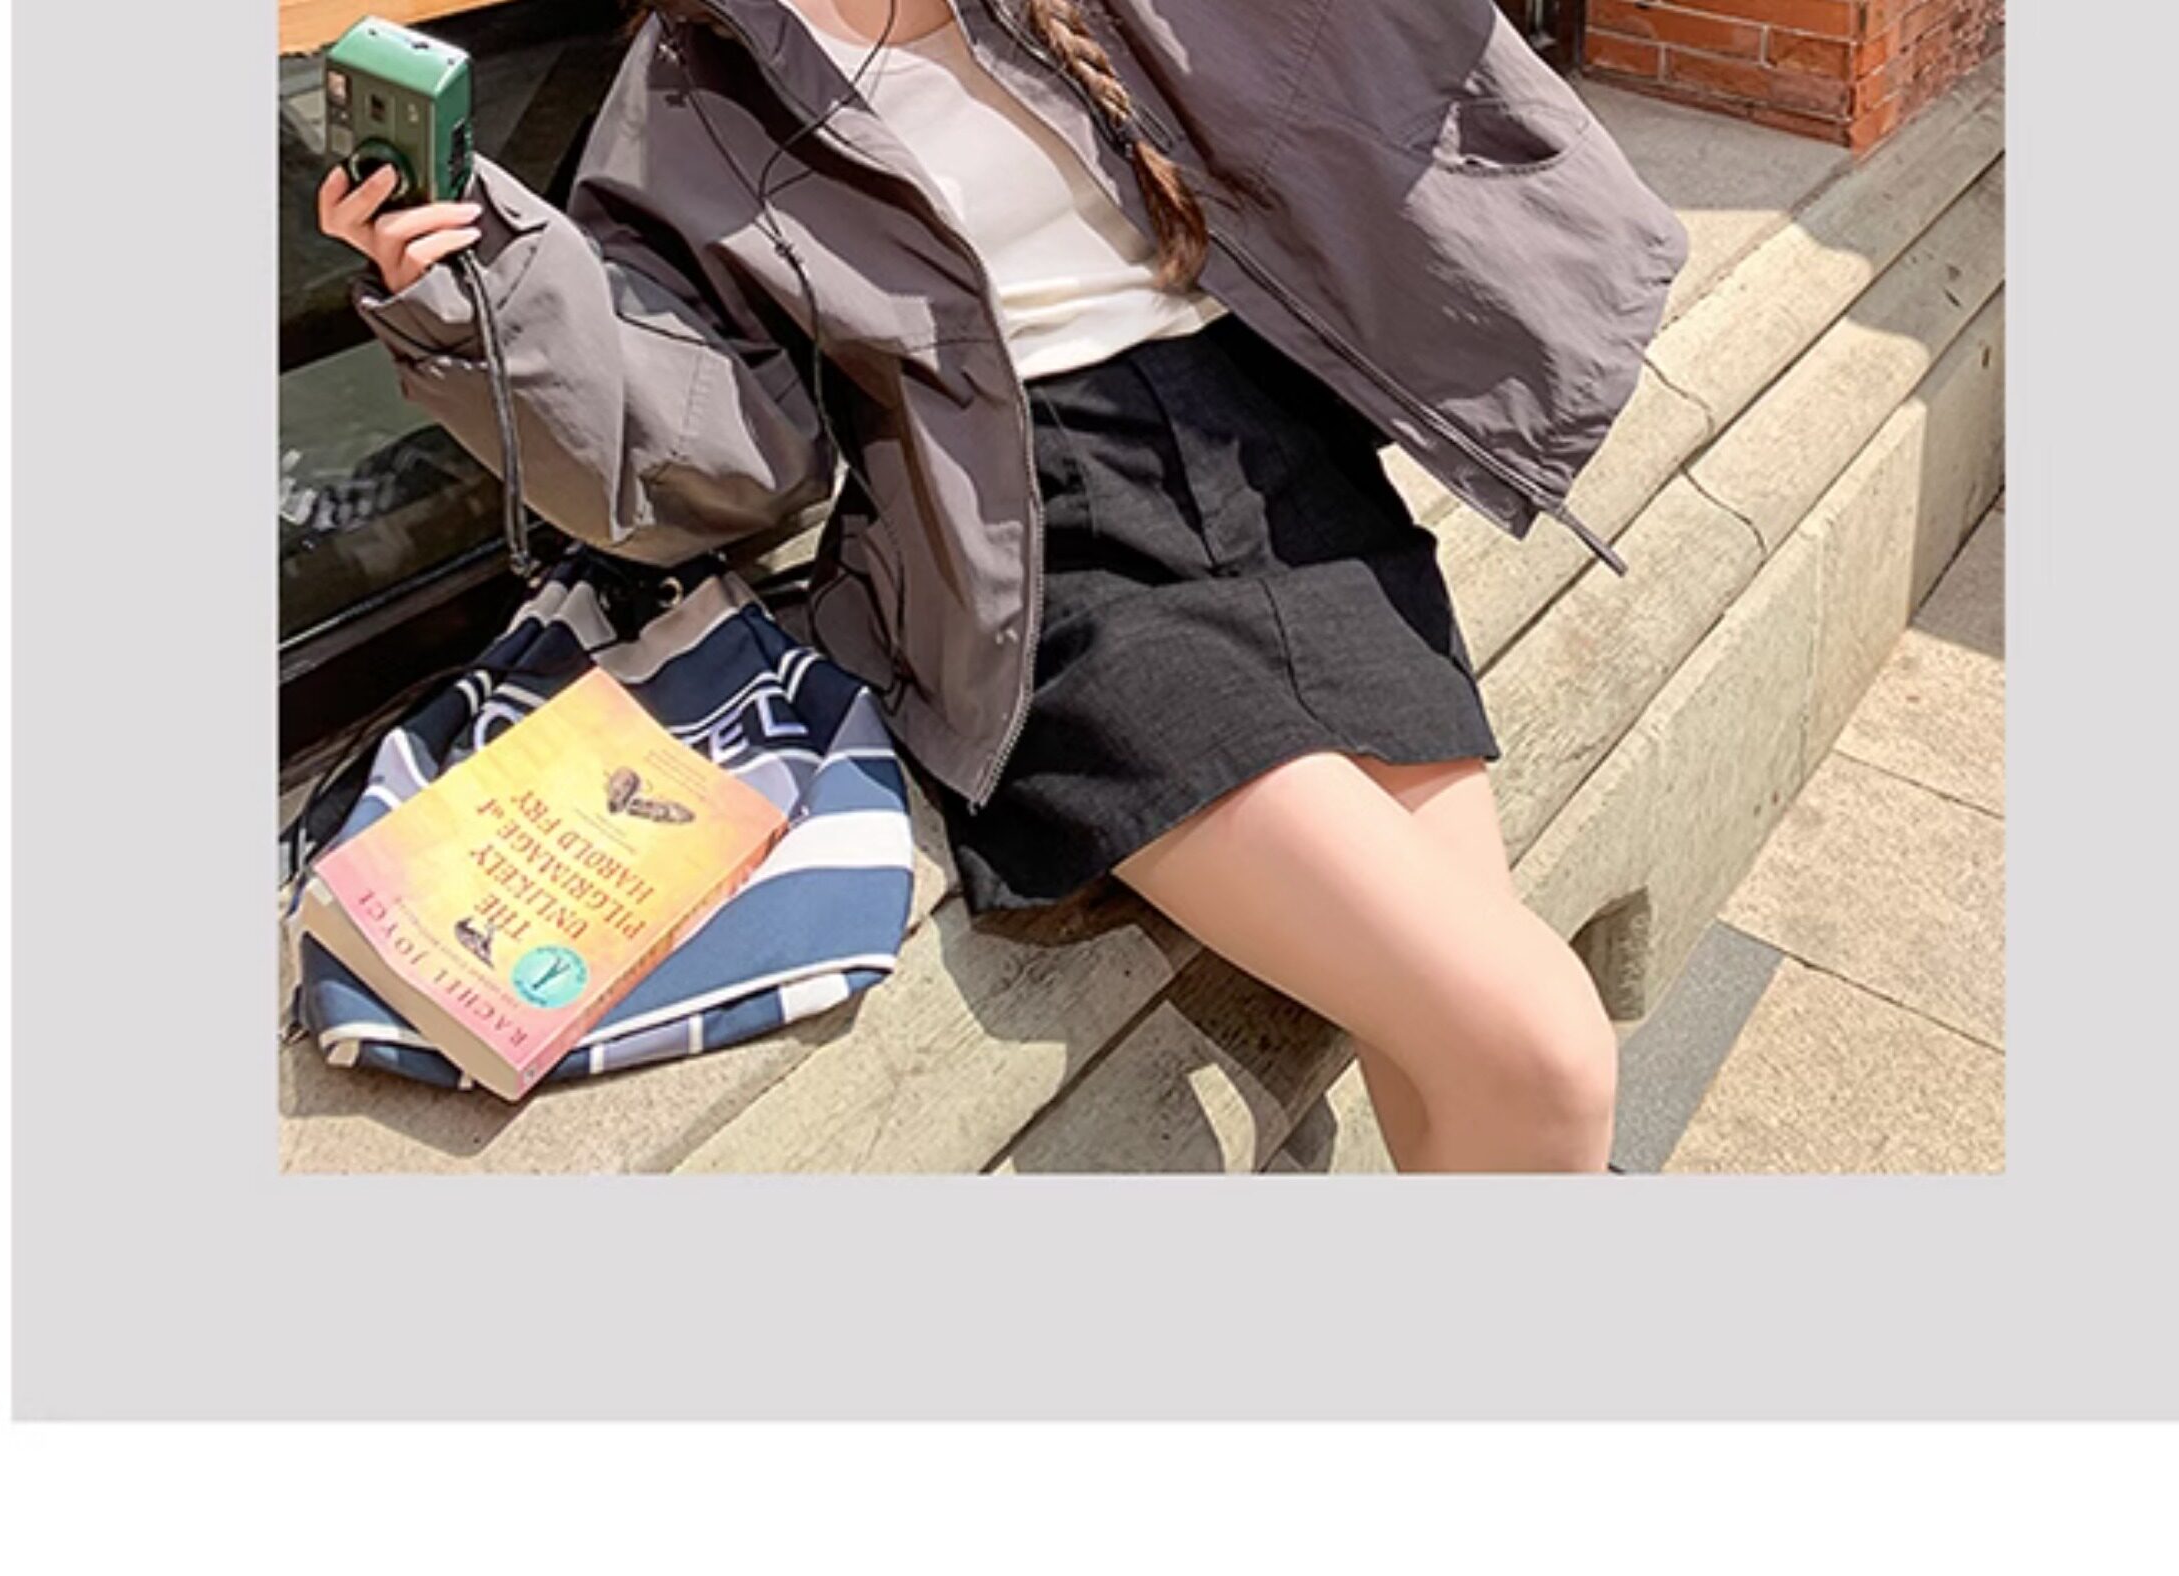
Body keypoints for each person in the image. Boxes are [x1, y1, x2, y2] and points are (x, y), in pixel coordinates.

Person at [317, 0, 1689, 1171]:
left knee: (1458, 1046)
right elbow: (706, 438)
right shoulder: (703, 74)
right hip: (1039, 540)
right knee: (1541, 1044)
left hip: (1286, 472)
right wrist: (472, 294)